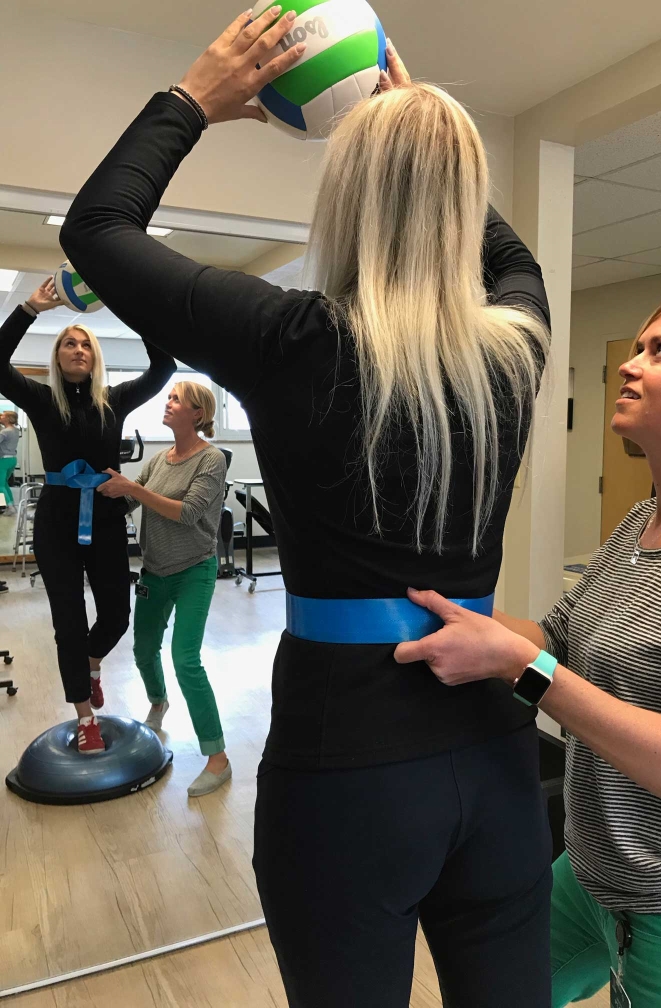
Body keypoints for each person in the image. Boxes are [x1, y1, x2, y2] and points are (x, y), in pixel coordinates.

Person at [59, 12, 552, 1007]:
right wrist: (424, 129)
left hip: (349, 771)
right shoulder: (515, 350)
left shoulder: (296, 338)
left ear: (345, 197)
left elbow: (97, 232)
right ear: (463, 203)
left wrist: (192, 98)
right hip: (499, 764)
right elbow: (517, 268)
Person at [397, 289, 661, 1008]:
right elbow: (557, 638)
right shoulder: (641, 523)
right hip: (593, 872)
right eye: (635, 347)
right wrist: (453, 603)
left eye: (660, 351)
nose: (629, 365)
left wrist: (521, 668)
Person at [0, 278, 176, 754]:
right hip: (57, 522)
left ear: (95, 357)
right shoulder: (40, 399)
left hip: (104, 516)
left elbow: (164, 368)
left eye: (86, 345)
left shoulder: (113, 400)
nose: (78, 350)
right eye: (69, 345)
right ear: (58, 357)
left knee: (117, 613)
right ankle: (84, 714)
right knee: (68, 622)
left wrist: (133, 305)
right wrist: (29, 309)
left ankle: (90, 663)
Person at [97, 381, 230, 796]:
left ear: (197, 412)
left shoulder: (211, 460)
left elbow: (188, 514)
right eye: (168, 397)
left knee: (185, 658)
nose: (167, 403)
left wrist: (134, 489)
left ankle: (218, 758)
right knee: (143, 648)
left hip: (194, 570)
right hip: (154, 571)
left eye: (175, 399)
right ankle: (158, 702)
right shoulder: (158, 460)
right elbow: (130, 500)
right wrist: (93, 489)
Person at [0, 410, 20, 516]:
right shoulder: (16, 430)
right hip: (12, 460)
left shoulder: (5, 432)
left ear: (7, 418)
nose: (1, 416)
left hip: (3, 460)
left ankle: (9, 506)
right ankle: (11, 505)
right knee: (4, 483)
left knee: (0, 485)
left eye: (2, 415)